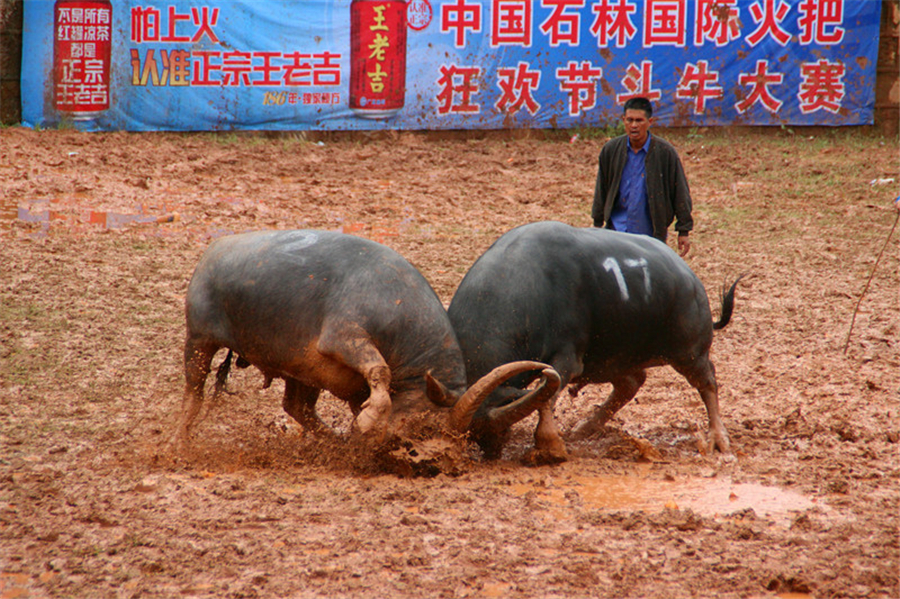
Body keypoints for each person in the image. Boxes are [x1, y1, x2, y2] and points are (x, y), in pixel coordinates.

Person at [592, 97, 693, 257]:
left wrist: (683, 230)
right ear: (623, 120)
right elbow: (601, 189)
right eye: (630, 120)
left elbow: (680, 191)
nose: (634, 125)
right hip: (616, 232)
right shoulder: (611, 150)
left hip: (650, 235)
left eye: (639, 120)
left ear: (649, 122)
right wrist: (597, 224)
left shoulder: (665, 153)